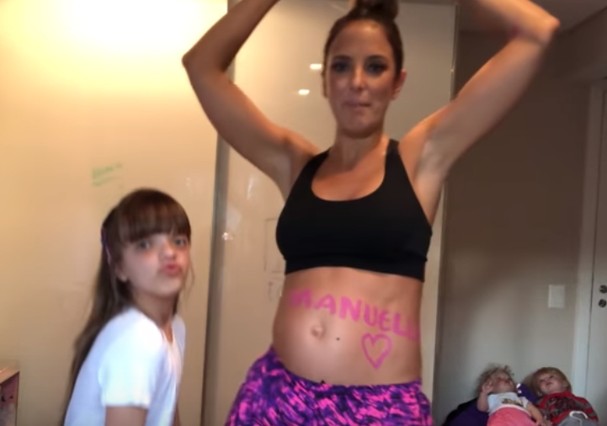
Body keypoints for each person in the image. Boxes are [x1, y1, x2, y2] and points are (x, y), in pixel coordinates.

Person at [183, 0, 559, 423]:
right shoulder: (295, 164)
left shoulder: (420, 159)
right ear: (325, 80)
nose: (357, 82)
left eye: (375, 67)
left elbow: (537, 31)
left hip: (380, 411)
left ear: (397, 83)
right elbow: (202, 66)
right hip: (277, 397)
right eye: (341, 66)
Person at [62, 188, 192, 426]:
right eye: (145, 245)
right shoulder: (138, 337)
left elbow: (167, 411)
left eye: (179, 241)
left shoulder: (175, 327)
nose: (169, 252)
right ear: (119, 268)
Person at [476, 364, 548, 426]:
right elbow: (482, 408)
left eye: (509, 378)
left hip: (523, 421)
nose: (507, 379)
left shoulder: (521, 399)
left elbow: (532, 409)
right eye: (499, 379)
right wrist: (483, 393)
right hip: (502, 420)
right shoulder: (492, 397)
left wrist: (540, 419)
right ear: (490, 386)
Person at [531, 367, 599, 426]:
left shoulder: (581, 400)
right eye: (541, 381)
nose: (546, 380)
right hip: (562, 422)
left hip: (583, 421)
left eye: (551, 377)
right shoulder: (542, 402)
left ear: (564, 383)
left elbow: (592, 416)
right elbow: (538, 416)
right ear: (539, 391)